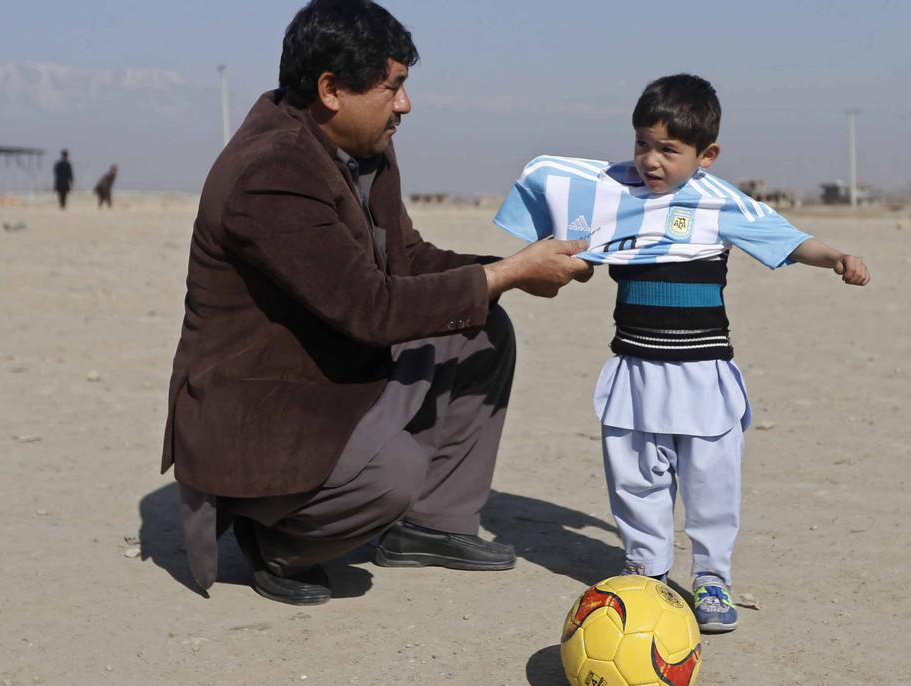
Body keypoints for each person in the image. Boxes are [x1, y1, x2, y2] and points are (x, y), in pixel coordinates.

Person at [162, 0, 592, 606]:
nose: (405, 105)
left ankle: (432, 526)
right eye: (393, 88)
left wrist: (509, 274)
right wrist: (508, 272)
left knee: (482, 327)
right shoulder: (271, 171)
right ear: (331, 89)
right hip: (262, 402)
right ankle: (277, 539)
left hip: (330, 362)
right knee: (391, 474)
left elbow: (407, 259)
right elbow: (370, 307)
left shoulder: (361, 145)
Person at [493, 74, 870, 632]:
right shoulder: (608, 195)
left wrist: (835, 255)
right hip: (635, 369)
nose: (651, 160)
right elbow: (555, 204)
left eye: (669, 150)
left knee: (711, 481)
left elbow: (788, 239)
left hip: (702, 374)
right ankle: (645, 567)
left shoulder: (721, 204)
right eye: (643, 143)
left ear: (706, 155)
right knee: (635, 476)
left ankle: (712, 578)